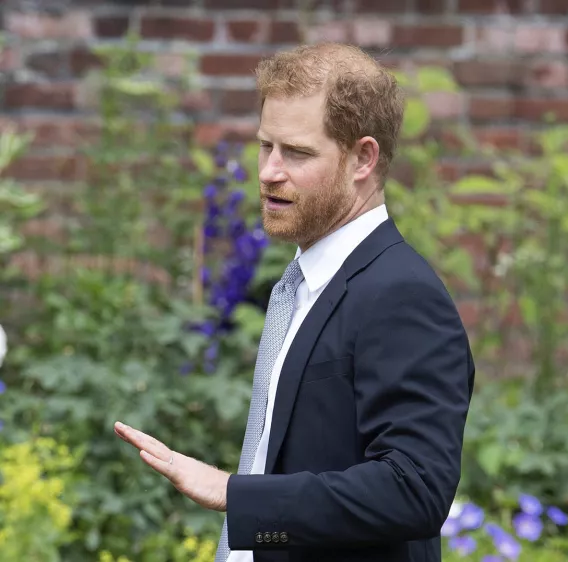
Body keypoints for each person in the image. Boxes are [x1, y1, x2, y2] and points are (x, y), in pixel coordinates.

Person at [114, 42, 476, 562]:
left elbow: (415, 488)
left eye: (298, 153)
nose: (268, 172)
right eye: (266, 146)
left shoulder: (402, 294)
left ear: (363, 158)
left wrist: (233, 493)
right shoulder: (304, 282)